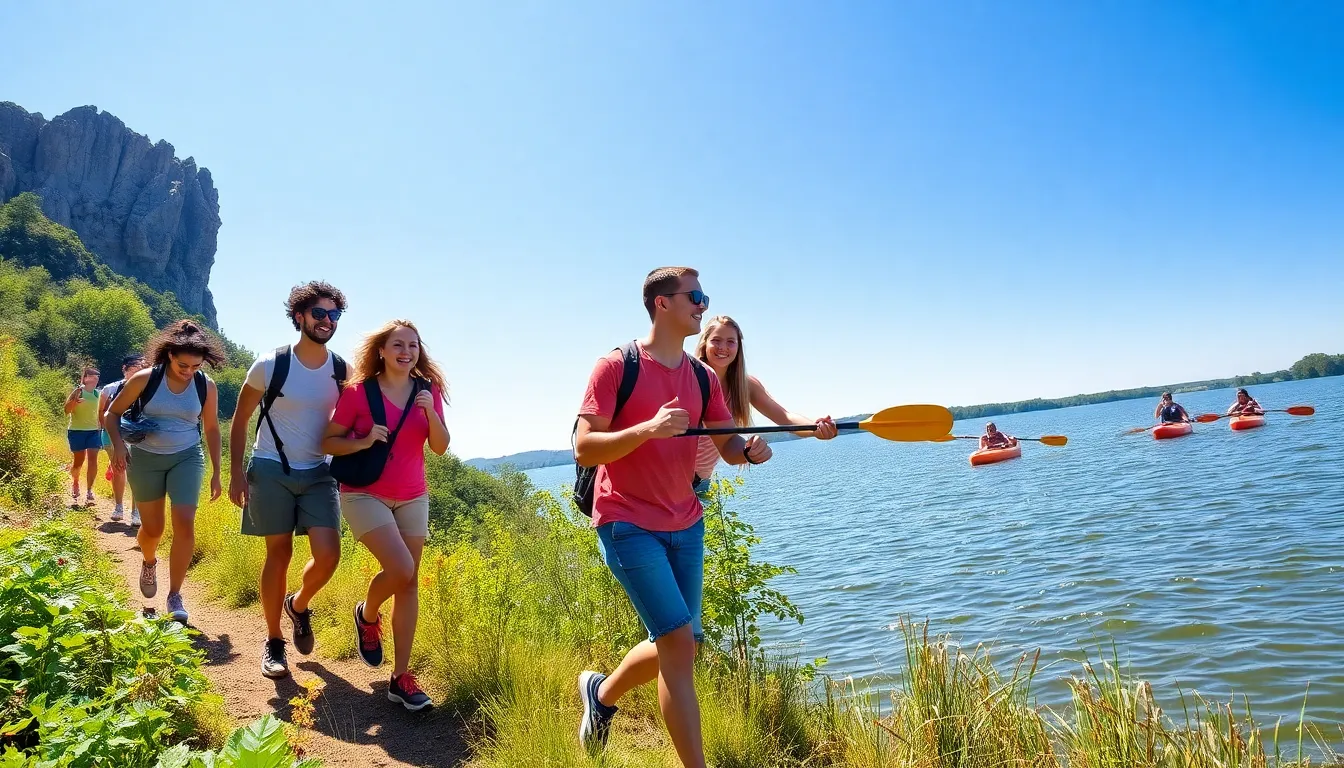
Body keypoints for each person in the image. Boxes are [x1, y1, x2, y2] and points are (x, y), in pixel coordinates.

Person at [574, 267, 774, 767]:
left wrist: (748, 451)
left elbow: (728, 447)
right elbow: (583, 447)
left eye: (704, 296)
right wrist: (648, 428)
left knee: (687, 643)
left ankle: (600, 696)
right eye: (695, 296)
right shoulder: (617, 366)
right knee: (679, 644)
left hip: (686, 522)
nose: (703, 304)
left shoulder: (704, 377)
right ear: (662, 303)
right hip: (626, 522)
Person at [322, 319, 449, 711]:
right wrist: (362, 440)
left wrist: (430, 414)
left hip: (413, 496)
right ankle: (368, 613)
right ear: (382, 350)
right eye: (398, 344)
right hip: (363, 494)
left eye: (413, 345)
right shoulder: (359, 392)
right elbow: (328, 441)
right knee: (402, 570)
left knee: (408, 583)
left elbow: (441, 447)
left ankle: (401, 677)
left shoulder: (430, 392)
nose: (406, 351)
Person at [229, 281, 349, 680]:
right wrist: (235, 475)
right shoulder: (270, 364)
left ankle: (298, 604)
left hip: (320, 473)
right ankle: (274, 642)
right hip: (270, 469)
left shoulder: (341, 370)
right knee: (277, 556)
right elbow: (241, 419)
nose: (327, 321)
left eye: (334, 315)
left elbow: (353, 422)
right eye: (319, 313)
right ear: (299, 316)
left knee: (329, 555)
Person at [106, 320, 225, 624]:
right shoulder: (145, 379)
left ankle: (175, 595)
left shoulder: (205, 385)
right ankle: (148, 561)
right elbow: (112, 413)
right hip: (145, 457)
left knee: (184, 522)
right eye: (183, 365)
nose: (189, 371)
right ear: (170, 355)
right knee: (154, 528)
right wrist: (118, 447)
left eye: (195, 366)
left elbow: (211, 428)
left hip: (187, 456)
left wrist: (216, 470)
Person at [692, 315, 837, 489]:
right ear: (704, 343)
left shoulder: (745, 385)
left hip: (700, 483)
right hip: (666, 477)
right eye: (716, 340)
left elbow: (785, 417)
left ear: (738, 348)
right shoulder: (688, 378)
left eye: (731, 341)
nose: (723, 347)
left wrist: (816, 428)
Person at [100, 355, 147, 524]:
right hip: (115, 435)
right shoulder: (111, 389)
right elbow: (103, 414)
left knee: (137, 474)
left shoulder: (147, 389)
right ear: (124, 369)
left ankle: (136, 513)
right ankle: (119, 506)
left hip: (138, 436)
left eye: (139, 370)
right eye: (133, 370)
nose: (136, 374)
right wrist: (110, 436)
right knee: (119, 471)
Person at [64, 366, 102, 506]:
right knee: (79, 462)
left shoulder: (98, 394)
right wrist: (75, 402)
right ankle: (75, 482)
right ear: (85, 378)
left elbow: (100, 411)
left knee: (93, 459)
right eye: (92, 376)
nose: (95, 379)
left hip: (93, 431)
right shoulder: (78, 392)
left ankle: (90, 490)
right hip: (76, 431)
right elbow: (66, 410)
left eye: (97, 377)